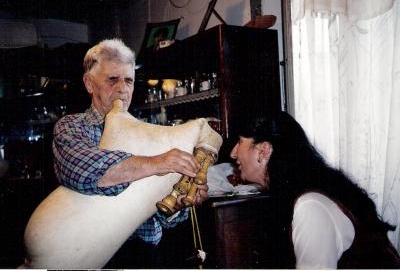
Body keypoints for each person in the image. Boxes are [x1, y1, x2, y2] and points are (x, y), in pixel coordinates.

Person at [52, 38, 208, 267]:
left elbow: (163, 219)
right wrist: (157, 162)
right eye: (112, 79)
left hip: (144, 256)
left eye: (129, 80)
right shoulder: (71, 127)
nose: (123, 89)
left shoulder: (148, 133)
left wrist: (179, 203)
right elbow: (85, 171)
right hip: (91, 255)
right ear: (89, 83)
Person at [230, 111, 400, 269]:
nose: (233, 153)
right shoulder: (306, 193)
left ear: (263, 150)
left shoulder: (310, 207)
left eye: (239, 142)